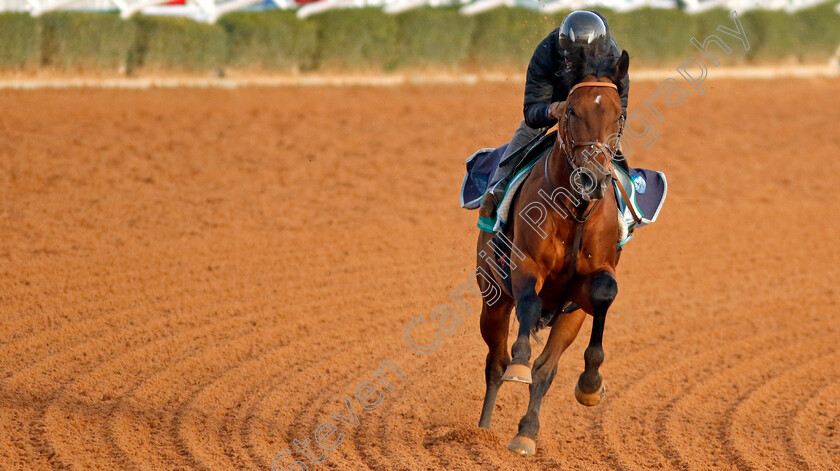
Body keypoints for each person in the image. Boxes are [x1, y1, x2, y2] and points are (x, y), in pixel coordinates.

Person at [479, 10, 630, 218]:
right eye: (569, 56)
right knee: (526, 133)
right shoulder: (546, 52)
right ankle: (497, 187)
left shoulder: (614, 59)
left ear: (599, 54)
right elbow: (532, 112)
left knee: (612, 146)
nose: (571, 63)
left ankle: (627, 211)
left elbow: (619, 111)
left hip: (592, 112)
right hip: (554, 104)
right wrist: (551, 110)